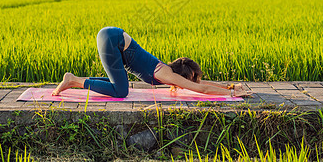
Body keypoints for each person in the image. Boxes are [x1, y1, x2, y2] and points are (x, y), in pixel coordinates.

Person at [52, 27, 252, 98]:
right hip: (113, 39)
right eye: (187, 81)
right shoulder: (167, 75)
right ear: (181, 76)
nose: (186, 86)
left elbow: (200, 85)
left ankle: (74, 80)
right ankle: (73, 80)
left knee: (116, 84)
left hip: (113, 37)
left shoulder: (167, 71)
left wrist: (230, 86)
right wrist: (232, 94)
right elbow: (203, 91)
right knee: (121, 92)